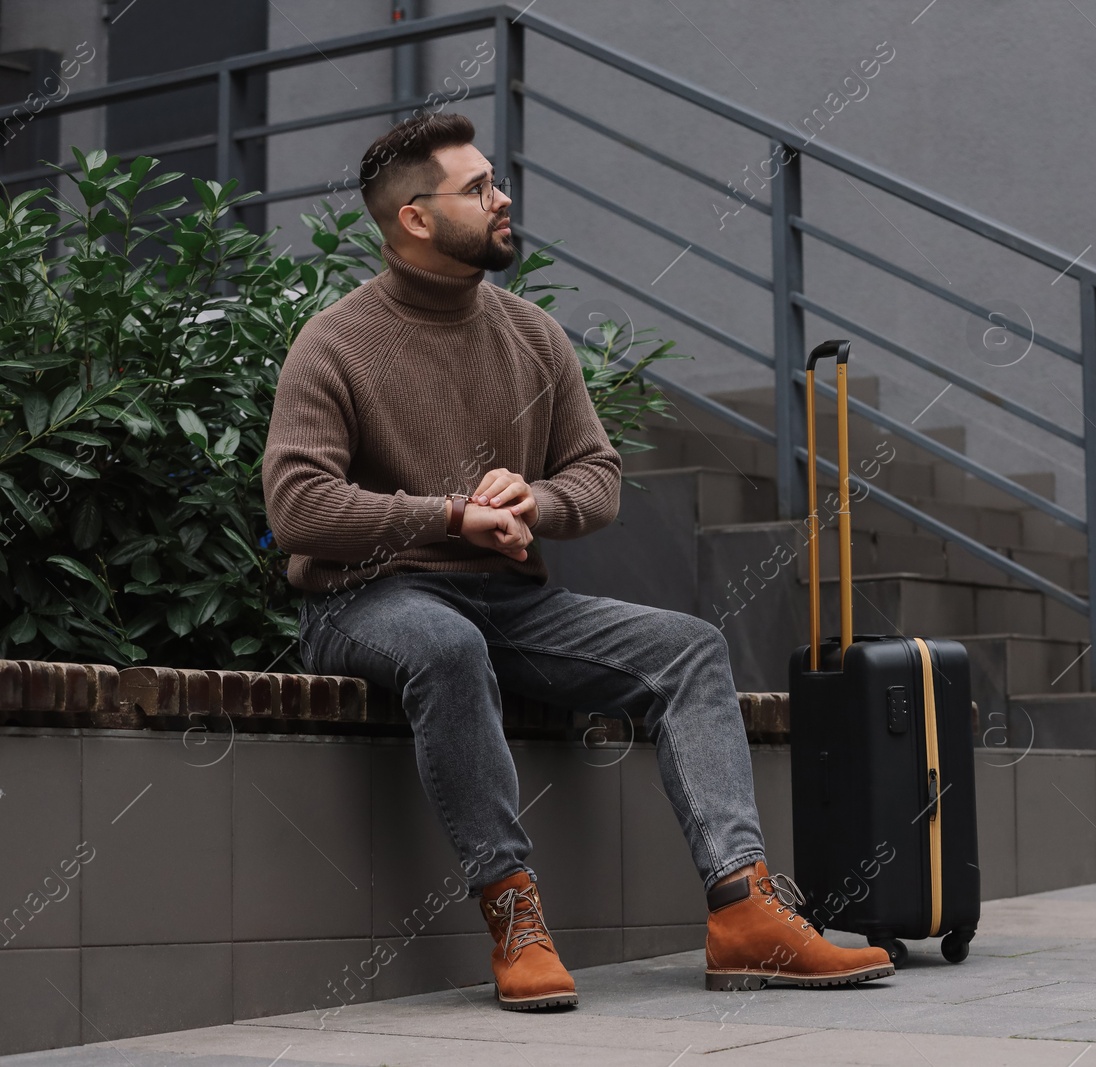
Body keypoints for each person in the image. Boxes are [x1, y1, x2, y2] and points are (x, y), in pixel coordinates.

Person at [261, 112, 892, 1010]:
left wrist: (535, 502)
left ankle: (743, 909)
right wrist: (448, 515)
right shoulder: (333, 343)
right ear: (414, 218)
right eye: (478, 187)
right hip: (367, 602)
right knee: (444, 646)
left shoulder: (532, 336)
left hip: (509, 605)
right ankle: (513, 915)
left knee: (688, 647)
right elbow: (298, 511)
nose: (502, 195)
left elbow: (597, 475)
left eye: (496, 179)